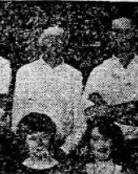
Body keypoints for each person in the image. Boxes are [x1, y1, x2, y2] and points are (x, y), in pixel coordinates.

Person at [14, 26, 86, 155]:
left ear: (65, 45)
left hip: (61, 147)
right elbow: (17, 116)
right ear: (42, 43)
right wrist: (24, 149)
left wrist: (65, 149)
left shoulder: (74, 75)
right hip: (31, 147)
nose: (55, 45)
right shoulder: (25, 72)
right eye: (49, 40)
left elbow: (79, 122)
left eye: (60, 40)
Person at [83, 17, 138, 124]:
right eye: (118, 32)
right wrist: (132, 106)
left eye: (127, 32)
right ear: (110, 35)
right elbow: (89, 113)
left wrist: (107, 111)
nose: (123, 38)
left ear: (134, 33)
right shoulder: (98, 72)